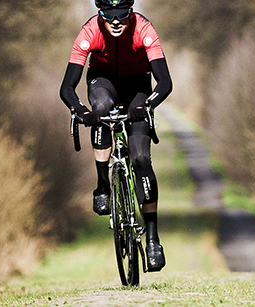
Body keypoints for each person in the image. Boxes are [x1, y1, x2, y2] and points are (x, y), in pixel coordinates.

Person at [58, 0, 172, 272]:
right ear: (100, 14)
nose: (116, 20)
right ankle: (102, 185)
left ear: (131, 12)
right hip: (103, 83)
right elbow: (67, 87)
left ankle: (153, 239)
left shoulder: (144, 29)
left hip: (138, 87)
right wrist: (80, 110)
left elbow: (165, 82)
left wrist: (147, 105)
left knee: (142, 159)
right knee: (100, 110)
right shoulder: (89, 32)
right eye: (109, 15)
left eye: (122, 14)